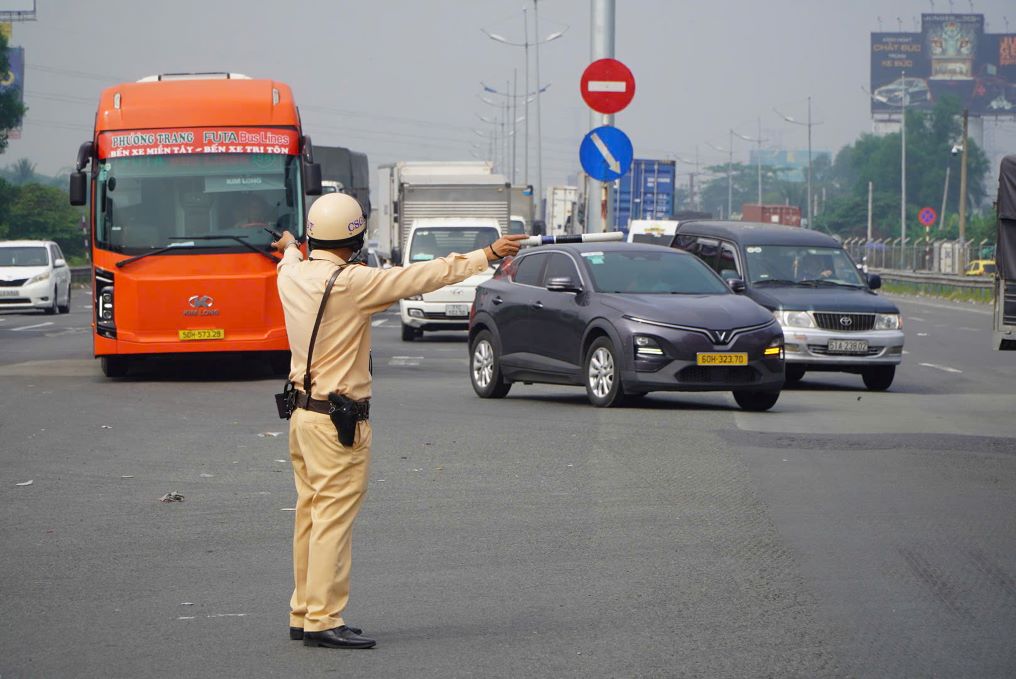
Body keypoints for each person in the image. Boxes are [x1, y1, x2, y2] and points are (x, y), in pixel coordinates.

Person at [271, 192, 525, 650]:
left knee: (309, 518)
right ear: (358, 238)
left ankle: (303, 611)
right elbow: (421, 276)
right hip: (338, 423)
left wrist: (290, 244)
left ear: (312, 236)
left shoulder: (292, 274)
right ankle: (324, 619)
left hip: (302, 416)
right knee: (332, 520)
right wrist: (486, 254)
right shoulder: (354, 283)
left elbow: (289, 256)